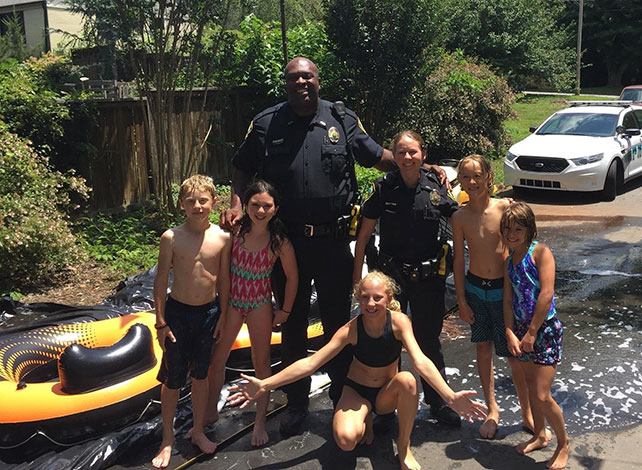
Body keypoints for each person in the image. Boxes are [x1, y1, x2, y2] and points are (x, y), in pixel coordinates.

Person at [220, 57, 446, 436]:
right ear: (286, 83)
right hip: (288, 246)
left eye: (307, 76)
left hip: (334, 243)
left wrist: (416, 167)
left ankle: (344, 394)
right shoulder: (266, 124)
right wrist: (235, 205)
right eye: (294, 77)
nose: (301, 82)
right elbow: (241, 167)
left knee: (339, 324)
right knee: (292, 325)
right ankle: (296, 403)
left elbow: (377, 156)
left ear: (318, 80)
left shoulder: (341, 119)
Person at [228, 271, 487, 470]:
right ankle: (365, 421)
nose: (370, 303)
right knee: (346, 440)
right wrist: (265, 384)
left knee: (408, 379)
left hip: (385, 395)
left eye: (377, 298)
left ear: (389, 298)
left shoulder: (399, 323)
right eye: (364, 297)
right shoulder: (350, 329)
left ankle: (404, 448)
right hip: (357, 392)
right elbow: (311, 363)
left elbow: (420, 361)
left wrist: (449, 396)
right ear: (358, 298)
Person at [353, 130, 461, 426]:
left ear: (423, 154)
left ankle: (438, 403)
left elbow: (460, 219)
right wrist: (357, 280)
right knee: (387, 340)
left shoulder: (436, 185)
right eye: (401, 152)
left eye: (413, 151)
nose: (407, 157)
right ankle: (386, 407)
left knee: (428, 340)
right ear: (395, 156)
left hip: (428, 279)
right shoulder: (383, 188)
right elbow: (364, 236)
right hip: (392, 279)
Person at [205, 180, 298, 447]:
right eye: (255, 205)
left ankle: (259, 421)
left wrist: (285, 310)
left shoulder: (279, 242)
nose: (260, 211)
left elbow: (293, 277)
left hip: (259, 303)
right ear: (245, 205)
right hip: (233, 302)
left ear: (275, 209)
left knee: (262, 361)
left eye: (267, 206)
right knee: (217, 357)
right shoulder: (235, 233)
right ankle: (209, 410)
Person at [151, 175, 232, 469]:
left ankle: (197, 430)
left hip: (208, 314)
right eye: (191, 201)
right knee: (173, 378)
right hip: (178, 315)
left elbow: (224, 281)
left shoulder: (223, 238)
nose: (198, 206)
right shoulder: (171, 238)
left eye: (203, 200)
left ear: (214, 201)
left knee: (201, 375)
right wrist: (161, 322)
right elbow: (161, 281)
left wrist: (223, 315)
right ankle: (168, 438)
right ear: (182, 205)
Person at [451, 155, 533, 439]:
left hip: (503, 291)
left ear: (489, 177)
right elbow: (458, 261)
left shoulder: (504, 208)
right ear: (460, 180)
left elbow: (523, 243)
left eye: (477, 176)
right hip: (475, 290)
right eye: (466, 176)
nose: (472, 182)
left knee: (513, 354)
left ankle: (527, 412)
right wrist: (462, 301)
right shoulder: (459, 217)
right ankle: (492, 410)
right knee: (483, 349)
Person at [501, 202, 569, 469]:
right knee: (530, 386)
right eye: (507, 229)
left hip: (545, 330)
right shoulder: (509, 261)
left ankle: (563, 443)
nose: (512, 235)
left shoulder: (540, 253)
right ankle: (540, 435)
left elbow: (546, 294)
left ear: (529, 229)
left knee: (541, 394)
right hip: (520, 330)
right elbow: (508, 300)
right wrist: (509, 331)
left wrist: (532, 332)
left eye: (518, 229)